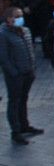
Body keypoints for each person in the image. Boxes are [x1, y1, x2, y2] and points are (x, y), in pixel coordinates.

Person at [0, 8, 40, 144]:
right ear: (8, 19)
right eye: (16, 16)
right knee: (14, 101)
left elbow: (30, 50)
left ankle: (24, 125)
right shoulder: (3, 34)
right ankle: (15, 131)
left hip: (28, 72)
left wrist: (32, 68)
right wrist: (14, 72)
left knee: (23, 99)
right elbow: (4, 57)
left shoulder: (26, 31)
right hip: (15, 75)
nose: (19, 19)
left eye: (21, 16)